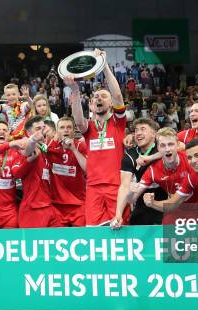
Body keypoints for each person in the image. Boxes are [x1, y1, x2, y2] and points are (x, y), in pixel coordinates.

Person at [67, 49, 127, 226]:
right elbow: (78, 119)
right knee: (93, 231)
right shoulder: (89, 128)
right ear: (91, 106)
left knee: (120, 229)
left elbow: (117, 95)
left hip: (116, 185)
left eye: (103, 96)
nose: (99, 98)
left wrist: (104, 65)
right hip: (93, 187)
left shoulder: (118, 122)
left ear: (110, 103)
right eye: (95, 97)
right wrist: (75, 91)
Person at [111, 118, 164, 228]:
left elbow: (177, 148)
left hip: (165, 201)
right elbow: (124, 186)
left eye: (143, 129)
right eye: (136, 130)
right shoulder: (130, 155)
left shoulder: (163, 146)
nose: (138, 133)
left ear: (154, 134)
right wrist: (118, 214)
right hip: (142, 201)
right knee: (136, 223)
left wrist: (150, 158)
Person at [19, 116, 62, 228]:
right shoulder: (27, 146)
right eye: (38, 128)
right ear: (28, 133)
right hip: (34, 208)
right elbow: (27, 150)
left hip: (49, 205)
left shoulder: (45, 149)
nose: (42, 131)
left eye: (44, 128)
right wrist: (32, 140)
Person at [45, 117, 87, 227]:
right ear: (57, 131)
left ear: (74, 131)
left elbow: (88, 169)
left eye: (69, 127)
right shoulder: (49, 146)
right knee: (58, 238)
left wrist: (73, 149)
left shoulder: (80, 146)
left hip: (78, 203)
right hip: (56, 204)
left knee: (82, 237)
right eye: (62, 128)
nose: (66, 130)